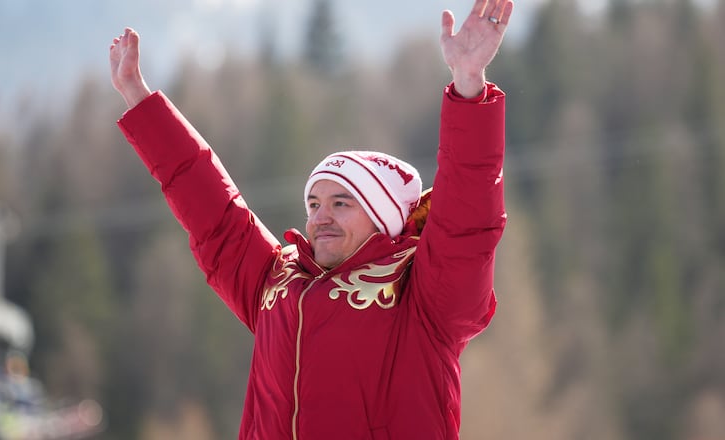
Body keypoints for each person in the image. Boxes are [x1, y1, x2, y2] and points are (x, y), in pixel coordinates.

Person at [109, 0, 512, 438]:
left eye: (342, 203)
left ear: (383, 218)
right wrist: (138, 96)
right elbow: (212, 212)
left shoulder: (422, 295)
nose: (321, 217)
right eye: (314, 204)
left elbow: (466, 228)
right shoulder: (276, 281)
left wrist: (469, 84)